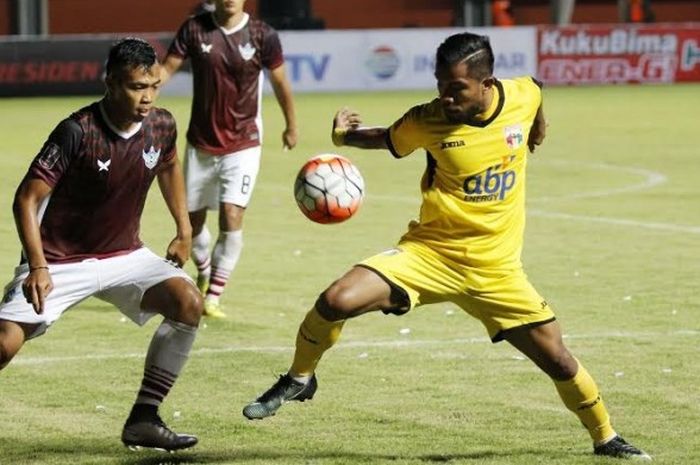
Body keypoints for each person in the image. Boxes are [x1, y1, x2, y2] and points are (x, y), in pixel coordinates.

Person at [242, 32, 651, 460]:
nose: (445, 96)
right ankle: (300, 377)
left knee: (560, 362)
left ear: (486, 83)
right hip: (430, 255)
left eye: (455, 88)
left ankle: (606, 438)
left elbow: (535, 88)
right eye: (440, 84)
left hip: (497, 272)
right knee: (335, 300)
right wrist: (346, 138)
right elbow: (388, 139)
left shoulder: (520, 96)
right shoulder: (429, 119)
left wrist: (538, 124)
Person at [0, 38, 202, 451]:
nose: (146, 98)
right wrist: (38, 266)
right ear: (109, 82)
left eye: (153, 86)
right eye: (135, 87)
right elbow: (26, 199)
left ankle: (144, 419)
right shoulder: (78, 130)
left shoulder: (162, 124)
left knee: (187, 303)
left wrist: (184, 230)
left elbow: (169, 165)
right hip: (59, 261)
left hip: (125, 256)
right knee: (4, 343)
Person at [161, 0, 298, 319]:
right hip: (201, 142)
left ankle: (213, 295)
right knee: (192, 223)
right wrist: (143, 92)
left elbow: (280, 82)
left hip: (244, 142)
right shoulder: (195, 28)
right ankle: (204, 269)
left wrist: (291, 124)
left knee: (231, 214)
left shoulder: (263, 35)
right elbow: (167, 68)